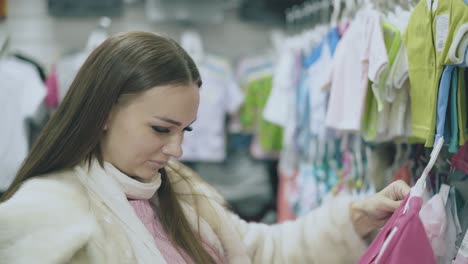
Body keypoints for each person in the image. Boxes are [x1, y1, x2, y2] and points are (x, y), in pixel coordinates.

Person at [0, 31, 410, 264]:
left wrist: (356, 217)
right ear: (104, 112)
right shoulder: (46, 217)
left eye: (187, 131)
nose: (176, 149)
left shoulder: (177, 189)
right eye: (162, 129)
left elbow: (255, 251)